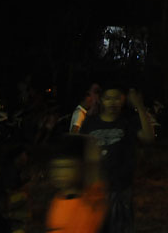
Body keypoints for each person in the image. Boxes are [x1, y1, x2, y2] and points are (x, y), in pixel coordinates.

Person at [80, 83, 154, 233]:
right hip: (95, 189)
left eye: (116, 98)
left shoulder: (128, 122)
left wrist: (139, 106)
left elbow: (148, 137)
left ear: (123, 99)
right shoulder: (90, 123)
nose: (112, 103)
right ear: (101, 100)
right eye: (108, 98)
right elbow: (82, 153)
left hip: (121, 189)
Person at [46, 134, 107, 233]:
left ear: (81, 168)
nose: (60, 173)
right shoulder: (56, 201)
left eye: (67, 167)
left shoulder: (91, 200)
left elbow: (94, 165)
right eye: (56, 167)